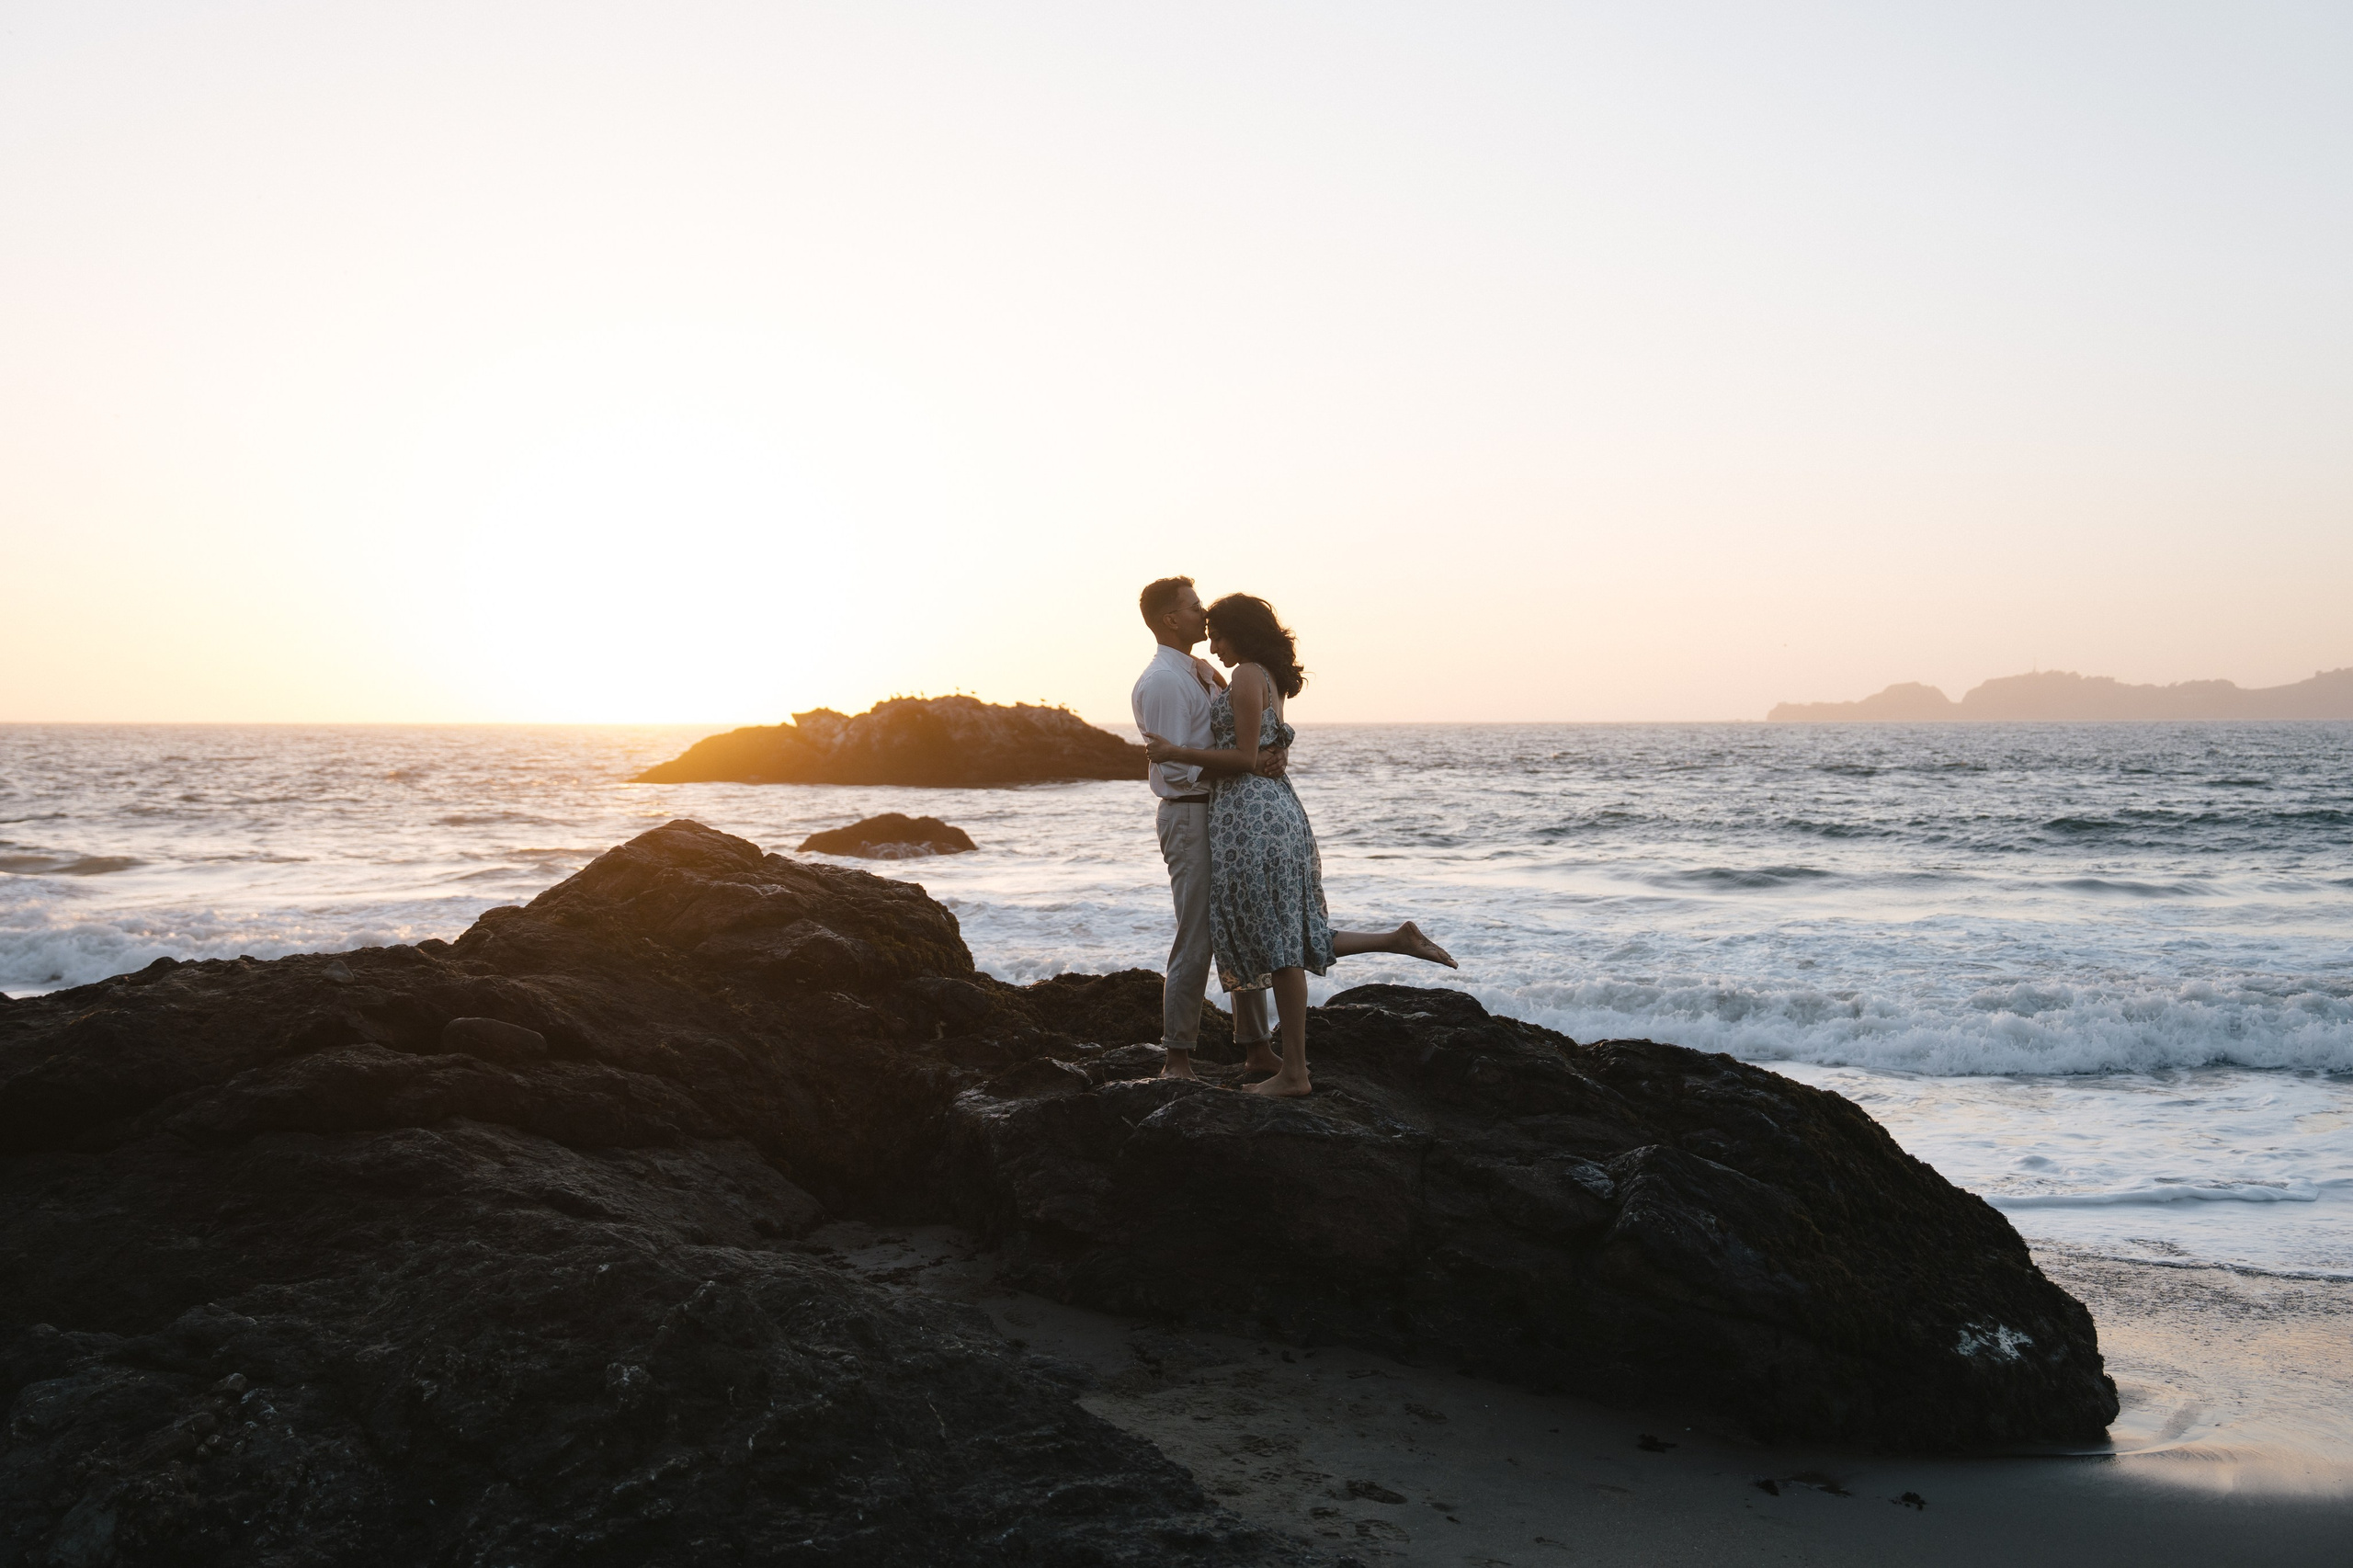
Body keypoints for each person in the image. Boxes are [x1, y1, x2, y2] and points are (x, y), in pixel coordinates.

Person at [1142, 593, 1456, 1096]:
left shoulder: (1245, 672)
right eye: (1205, 623)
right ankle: (1388, 944)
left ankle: (1292, 1071)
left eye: (1219, 631)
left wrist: (1176, 751)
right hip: (1267, 811)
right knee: (1279, 929)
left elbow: (1244, 754)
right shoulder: (1246, 673)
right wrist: (1264, 746)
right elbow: (1258, 741)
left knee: (1277, 940)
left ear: (1239, 633)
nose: (1212, 637)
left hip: (1251, 818)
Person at [1131, 575, 1282, 1081]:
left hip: (1219, 810)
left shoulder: (1199, 672)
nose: (1204, 615)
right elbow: (1176, 769)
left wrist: (1265, 754)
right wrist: (1248, 763)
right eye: (1195, 608)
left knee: (1238, 925)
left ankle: (1257, 1048)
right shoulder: (1164, 682)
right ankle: (1176, 1058)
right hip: (1189, 811)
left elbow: (1240, 728)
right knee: (1196, 934)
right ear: (1172, 619)